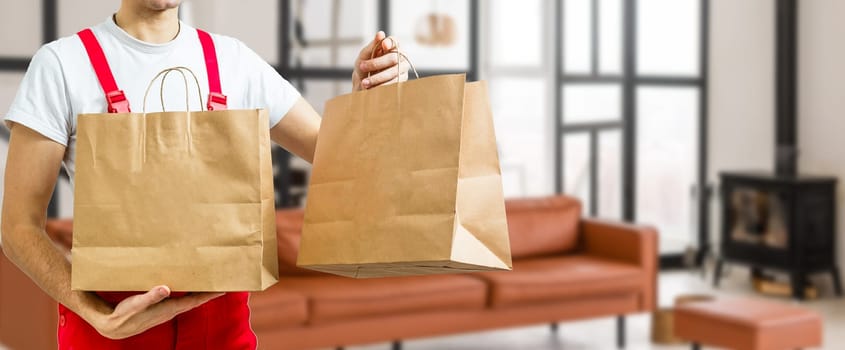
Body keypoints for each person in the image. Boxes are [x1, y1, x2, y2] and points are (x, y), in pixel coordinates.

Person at [0, 0, 409, 348]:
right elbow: (18, 227)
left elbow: (340, 158)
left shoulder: (236, 62)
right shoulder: (62, 65)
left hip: (223, 331)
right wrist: (97, 313)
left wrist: (366, 99)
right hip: (109, 331)